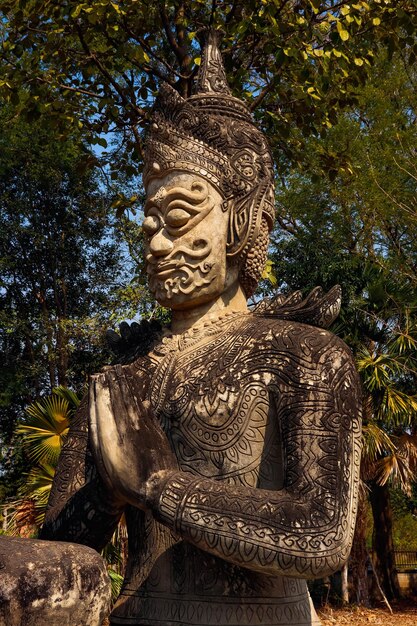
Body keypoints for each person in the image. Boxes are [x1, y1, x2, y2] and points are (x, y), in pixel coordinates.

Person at [42, 31, 361, 626]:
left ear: (241, 218)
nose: (158, 243)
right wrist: (105, 495)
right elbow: (62, 552)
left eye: (181, 216)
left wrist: (158, 485)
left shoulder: (306, 356)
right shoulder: (123, 379)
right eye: (149, 226)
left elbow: (321, 533)